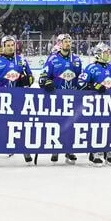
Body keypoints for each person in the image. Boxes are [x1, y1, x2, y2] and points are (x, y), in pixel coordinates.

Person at [0, 34, 34, 164]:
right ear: (3, 47)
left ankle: (24, 151)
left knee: (19, 126)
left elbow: (31, 78)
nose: (11, 48)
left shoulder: (21, 61)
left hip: (18, 99)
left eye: (12, 45)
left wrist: (26, 79)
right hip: (0, 100)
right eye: (8, 45)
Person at [38, 33, 82, 164]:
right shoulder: (52, 59)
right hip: (57, 98)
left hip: (73, 98)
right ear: (59, 44)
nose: (68, 43)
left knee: (71, 124)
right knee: (56, 124)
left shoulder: (77, 59)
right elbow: (42, 77)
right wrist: (46, 83)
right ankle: (55, 149)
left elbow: (81, 78)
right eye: (65, 41)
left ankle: (69, 150)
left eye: (69, 41)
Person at [78, 43, 111, 165]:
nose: (108, 55)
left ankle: (107, 150)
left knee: (109, 127)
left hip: (109, 103)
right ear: (99, 54)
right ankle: (94, 152)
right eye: (106, 52)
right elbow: (81, 83)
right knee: (95, 127)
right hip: (94, 104)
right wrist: (95, 86)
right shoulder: (91, 68)